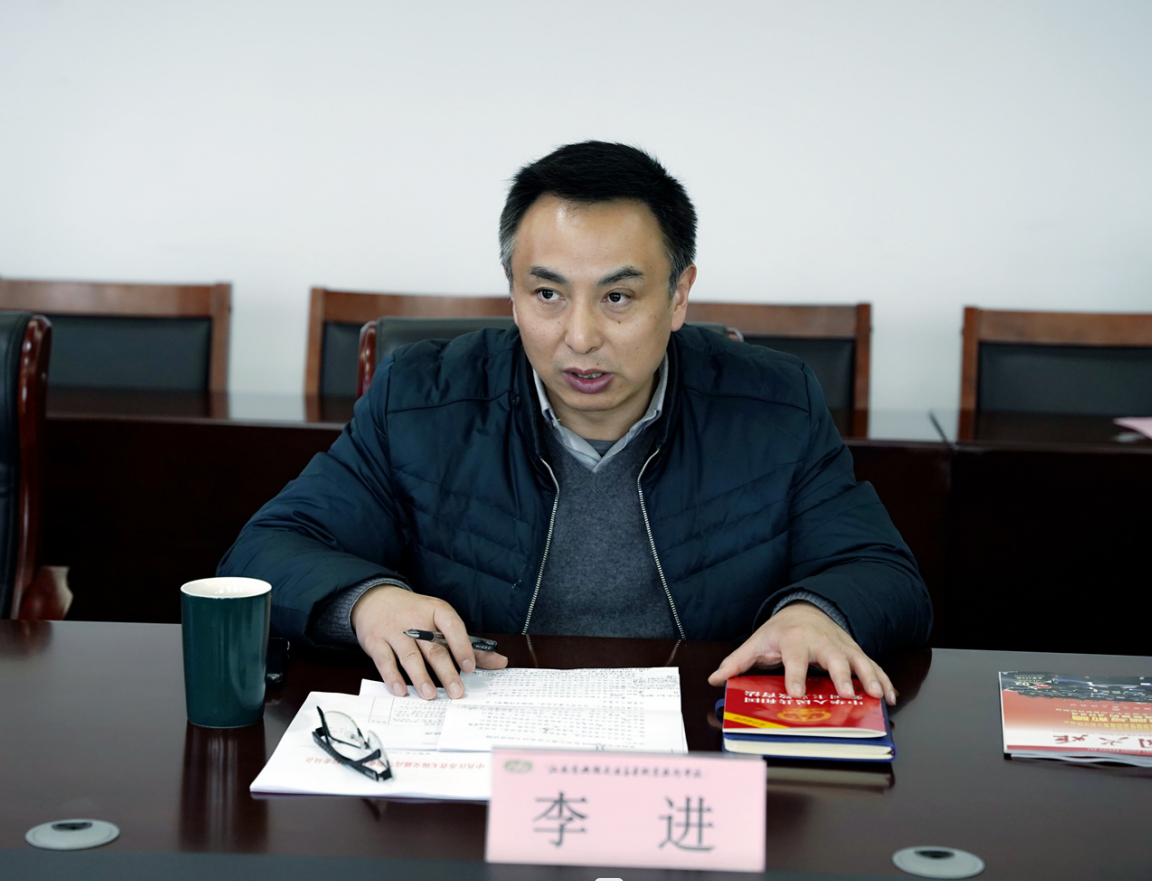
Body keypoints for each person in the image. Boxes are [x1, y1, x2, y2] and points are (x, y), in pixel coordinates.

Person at [219, 141, 932, 705]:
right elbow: (264, 551)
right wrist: (368, 602)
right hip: (476, 740)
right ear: (512, 293)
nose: (581, 337)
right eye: (547, 294)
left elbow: (882, 571)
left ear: (679, 295)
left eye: (618, 297)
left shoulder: (775, 404)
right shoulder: (420, 399)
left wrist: (816, 612)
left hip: (696, 737)